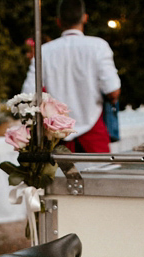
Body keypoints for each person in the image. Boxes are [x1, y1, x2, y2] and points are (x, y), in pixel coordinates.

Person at [22, 0, 120, 152]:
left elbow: (28, 95)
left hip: (56, 139)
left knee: (60, 176)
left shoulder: (44, 52)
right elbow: (113, 91)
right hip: (93, 134)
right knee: (99, 175)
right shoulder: (98, 46)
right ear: (85, 18)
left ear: (58, 22)